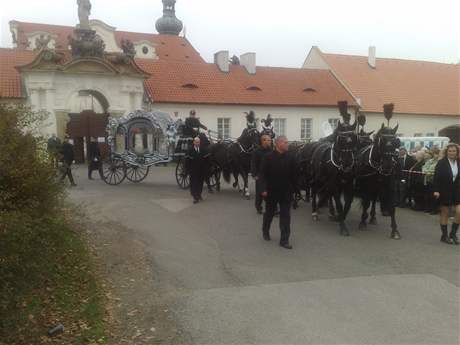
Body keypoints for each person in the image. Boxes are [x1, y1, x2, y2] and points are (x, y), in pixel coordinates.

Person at [259, 136, 297, 249]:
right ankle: (265, 231)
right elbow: (262, 175)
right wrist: (263, 189)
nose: (287, 144)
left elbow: (295, 176)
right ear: (278, 144)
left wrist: (295, 190)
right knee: (269, 213)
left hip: (286, 192)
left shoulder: (291, 157)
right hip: (271, 191)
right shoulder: (268, 157)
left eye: (287, 142)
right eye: (285, 142)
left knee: (285, 216)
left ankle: (284, 240)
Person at [433, 143, 460, 245]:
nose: (452, 153)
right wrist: (436, 190)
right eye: (450, 151)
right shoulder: (441, 163)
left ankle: (453, 234)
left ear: (457, 152)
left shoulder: (459, 162)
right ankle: (444, 236)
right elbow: (436, 178)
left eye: (454, 151)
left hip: (456, 191)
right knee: (445, 213)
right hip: (444, 191)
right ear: (447, 152)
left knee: (459, 212)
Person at [251, 134, 273, 214]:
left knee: (271, 192)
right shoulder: (257, 152)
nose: (270, 142)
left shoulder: (271, 151)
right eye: (269, 140)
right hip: (260, 176)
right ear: (263, 141)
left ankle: (273, 209)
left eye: (270, 140)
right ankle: (258, 207)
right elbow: (253, 164)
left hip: (270, 176)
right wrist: (254, 175)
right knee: (260, 193)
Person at [186, 137, 210, 204]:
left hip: (201, 170)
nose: (197, 143)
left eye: (198, 142)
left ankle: (199, 195)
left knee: (200, 183)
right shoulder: (190, 150)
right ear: (194, 142)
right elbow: (187, 161)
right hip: (193, 170)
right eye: (196, 142)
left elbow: (207, 160)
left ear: (200, 143)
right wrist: (188, 170)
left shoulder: (202, 149)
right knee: (194, 183)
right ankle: (195, 197)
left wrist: (206, 168)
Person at [422, 149, 439, 214]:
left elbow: (436, 170)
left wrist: (428, 172)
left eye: (436, 154)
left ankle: (434, 209)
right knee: (428, 195)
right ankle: (428, 208)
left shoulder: (439, 162)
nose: (435, 155)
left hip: (435, 180)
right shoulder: (429, 161)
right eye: (434, 154)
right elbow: (424, 167)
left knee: (433, 196)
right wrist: (426, 171)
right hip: (428, 179)